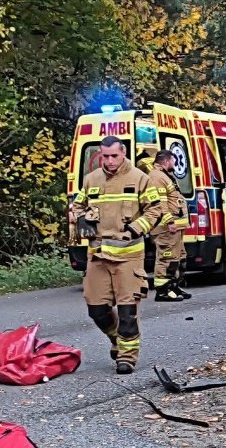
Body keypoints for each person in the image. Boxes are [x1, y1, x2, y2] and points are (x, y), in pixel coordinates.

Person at [69, 136, 162, 374]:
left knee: (127, 310)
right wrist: (81, 220)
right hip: (98, 255)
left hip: (129, 257)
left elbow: (156, 209)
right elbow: (77, 205)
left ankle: (127, 357)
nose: (109, 161)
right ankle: (117, 339)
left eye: (114, 156)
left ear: (123, 153)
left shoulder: (140, 179)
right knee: (96, 309)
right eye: (105, 156)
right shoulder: (91, 180)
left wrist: (136, 228)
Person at [147, 150, 191, 302]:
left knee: (179, 256)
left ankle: (173, 286)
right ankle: (162, 291)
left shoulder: (164, 175)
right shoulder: (157, 177)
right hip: (166, 227)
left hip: (175, 227)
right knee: (166, 257)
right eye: (173, 160)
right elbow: (160, 203)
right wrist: (170, 222)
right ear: (166, 161)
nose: (174, 163)